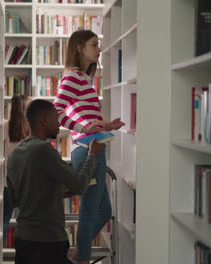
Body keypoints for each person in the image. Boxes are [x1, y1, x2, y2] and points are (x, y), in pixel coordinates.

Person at [53, 30, 125, 264]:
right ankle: (81, 259)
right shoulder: (73, 77)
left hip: (95, 147)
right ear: (79, 47)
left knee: (103, 211)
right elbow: (57, 112)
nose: (99, 48)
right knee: (89, 212)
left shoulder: (84, 79)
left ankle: (76, 256)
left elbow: (84, 117)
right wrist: (84, 130)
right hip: (87, 151)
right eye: (94, 44)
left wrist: (105, 125)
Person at [6, 99, 105, 264]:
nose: (59, 124)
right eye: (55, 119)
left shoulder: (15, 153)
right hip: (47, 242)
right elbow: (80, 184)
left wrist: (57, 191)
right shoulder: (43, 150)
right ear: (44, 120)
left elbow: (17, 198)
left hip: (23, 239)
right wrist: (92, 155)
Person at [3, 94, 31, 242]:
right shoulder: (33, 130)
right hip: (26, 185)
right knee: (28, 224)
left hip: (8, 184)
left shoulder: (4, 127)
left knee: (3, 221)